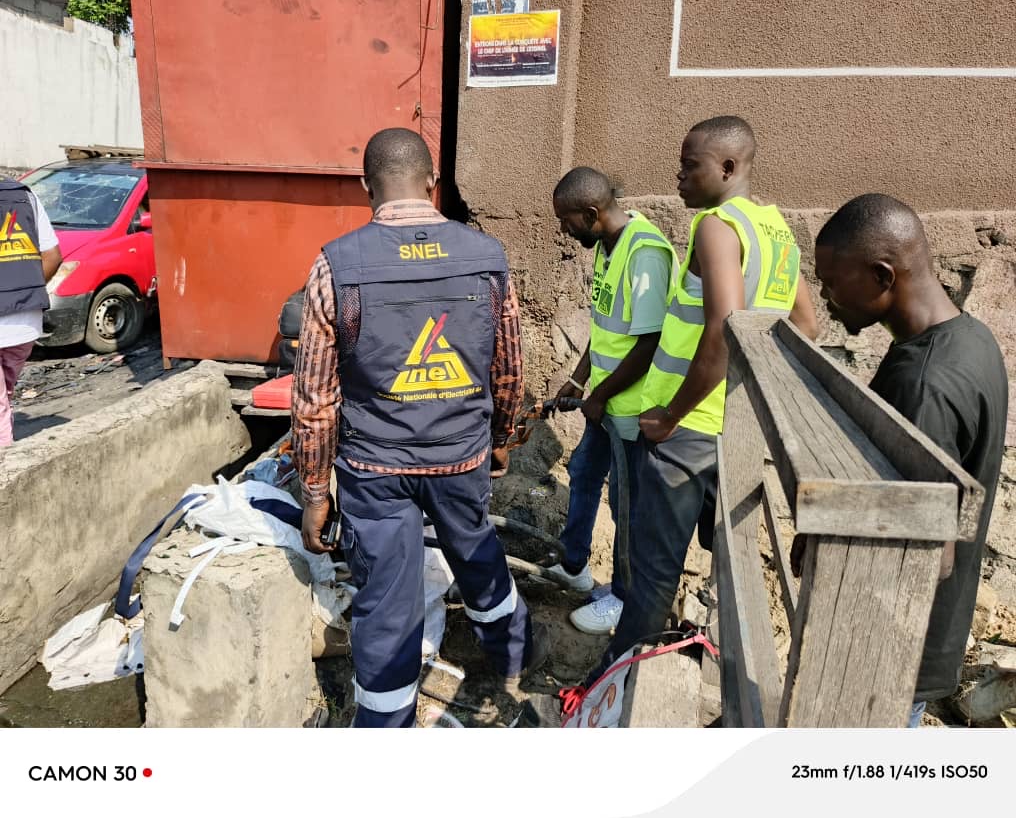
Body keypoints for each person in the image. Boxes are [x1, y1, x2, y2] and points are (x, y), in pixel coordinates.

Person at [292, 128, 546, 727]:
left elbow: (314, 398)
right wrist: (501, 439)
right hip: (460, 457)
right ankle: (514, 656)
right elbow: (510, 366)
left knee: (387, 598)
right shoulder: (487, 257)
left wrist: (313, 492)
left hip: (374, 470)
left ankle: (384, 727)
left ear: (366, 187)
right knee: (477, 551)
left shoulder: (337, 265)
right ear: (433, 181)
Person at [583, 115, 817, 686]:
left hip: (687, 432)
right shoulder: (776, 229)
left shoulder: (716, 226)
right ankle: (703, 663)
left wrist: (672, 413)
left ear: (727, 168)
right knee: (726, 561)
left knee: (651, 571)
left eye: (690, 165)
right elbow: (806, 326)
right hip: (735, 427)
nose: (679, 176)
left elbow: (723, 326)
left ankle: (619, 682)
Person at [811, 193, 1008, 727]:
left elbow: (931, 554)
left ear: (880, 276)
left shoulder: (926, 385)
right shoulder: (971, 338)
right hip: (915, 643)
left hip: (890, 654)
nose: (823, 296)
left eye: (830, 281)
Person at [549, 167, 676, 634]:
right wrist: (579, 381)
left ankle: (623, 599)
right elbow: (607, 327)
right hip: (604, 402)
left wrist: (599, 396)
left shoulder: (645, 254)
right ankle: (574, 564)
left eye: (567, 222)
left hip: (629, 408)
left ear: (591, 212)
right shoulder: (608, 247)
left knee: (628, 504)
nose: (564, 231)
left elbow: (649, 343)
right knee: (583, 473)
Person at [0, 178, 62, 446]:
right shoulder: (24, 195)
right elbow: (53, 256)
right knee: (4, 398)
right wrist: (25, 296)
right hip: (25, 325)